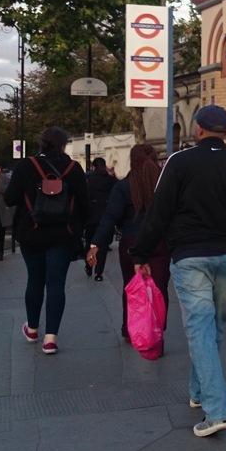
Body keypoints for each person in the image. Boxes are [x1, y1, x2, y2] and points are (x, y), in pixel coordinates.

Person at [132, 104, 226, 438]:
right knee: (212, 327)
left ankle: (216, 411)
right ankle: (198, 391)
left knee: (199, 329)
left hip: (191, 257)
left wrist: (141, 252)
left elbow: (159, 213)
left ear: (198, 129)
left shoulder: (179, 162)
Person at [4, 127, 88, 355]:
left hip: (32, 233)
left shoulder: (25, 166)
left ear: (41, 143)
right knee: (56, 284)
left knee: (35, 280)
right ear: (64, 144)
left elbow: (10, 199)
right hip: (62, 235)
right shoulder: (74, 168)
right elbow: (84, 203)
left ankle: (32, 328)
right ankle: (50, 338)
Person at [87, 144, 170, 340]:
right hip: (160, 242)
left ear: (132, 161)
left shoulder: (123, 186)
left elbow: (110, 216)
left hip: (131, 242)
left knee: (132, 286)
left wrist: (95, 244)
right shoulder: (165, 185)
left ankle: (130, 327)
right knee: (160, 287)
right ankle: (157, 327)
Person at [83, 157, 117, 280]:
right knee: (102, 246)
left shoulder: (88, 180)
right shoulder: (111, 180)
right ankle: (99, 272)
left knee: (89, 243)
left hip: (91, 217)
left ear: (93, 167)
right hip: (106, 218)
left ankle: (89, 265)